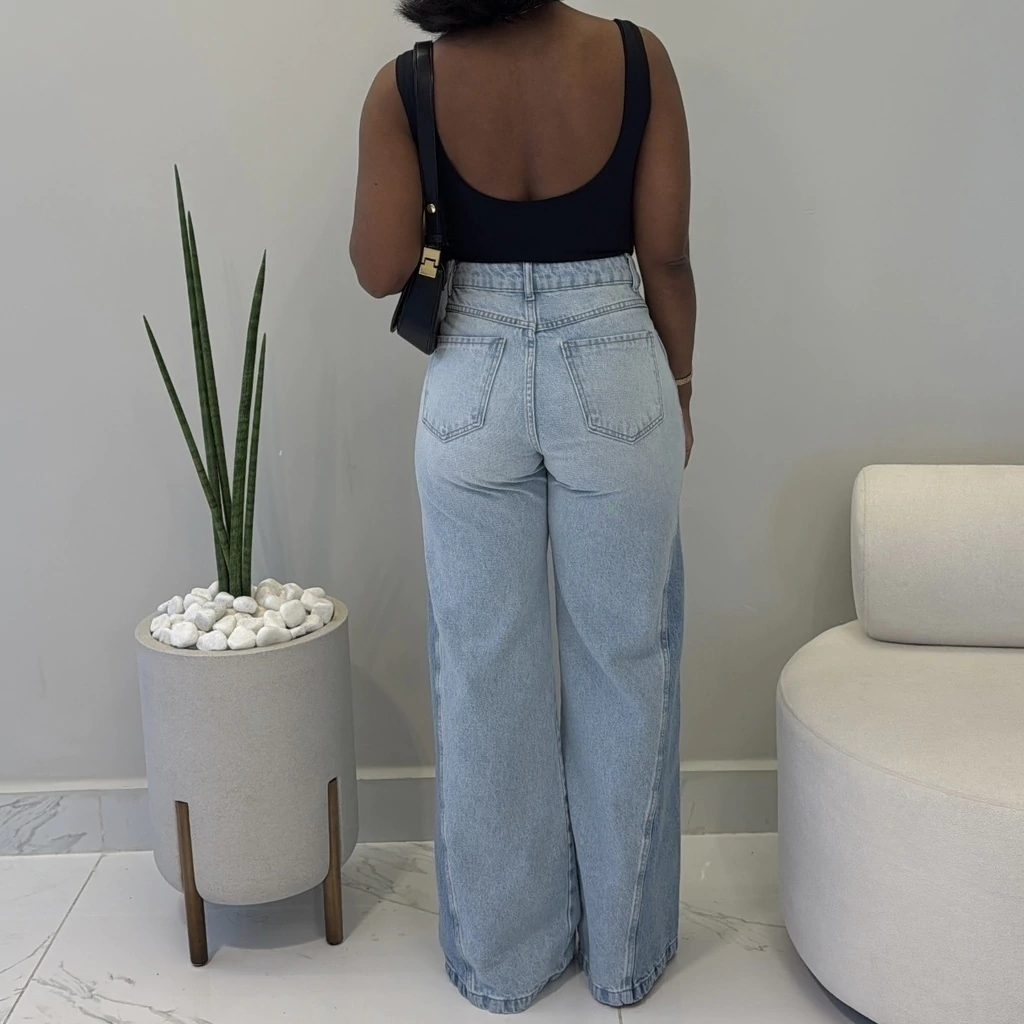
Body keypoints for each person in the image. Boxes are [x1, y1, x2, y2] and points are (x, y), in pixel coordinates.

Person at [351, 0, 695, 1012]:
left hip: (472, 374)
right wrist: (680, 389)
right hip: (616, 365)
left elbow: (379, 269)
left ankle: (502, 963)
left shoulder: (406, 84)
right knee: (625, 664)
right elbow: (665, 256)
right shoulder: (636, 56)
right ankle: (623, 960)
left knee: (483, 672)